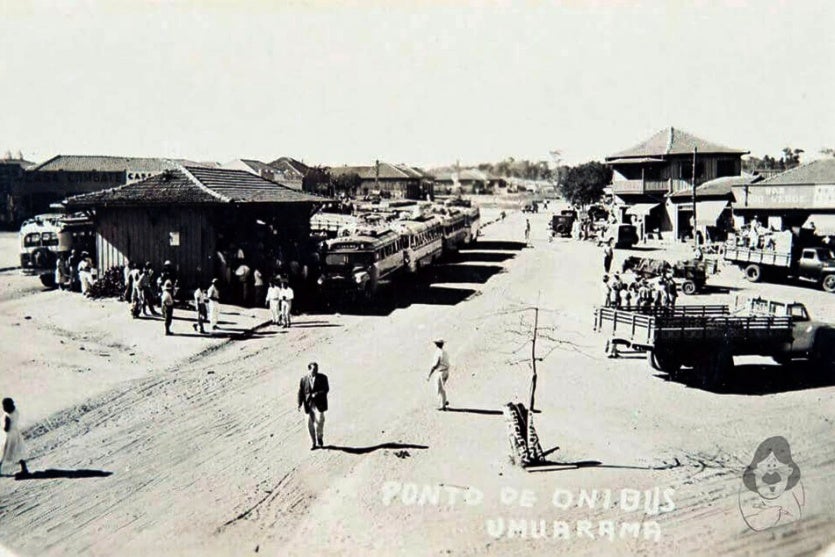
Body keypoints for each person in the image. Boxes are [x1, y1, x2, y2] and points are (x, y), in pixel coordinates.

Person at [297, 362, 329, 450]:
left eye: (317, 369)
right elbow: (301, 392)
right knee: (309, 424)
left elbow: (326, 389)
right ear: (309, 369)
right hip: (308, 404)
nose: (316, 371)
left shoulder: (323, 378)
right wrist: (299, 403)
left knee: (320, 422)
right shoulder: (303, 379)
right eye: (314, 369)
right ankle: (313, 442)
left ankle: (319, 436)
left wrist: (317, 393)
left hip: (319, 404)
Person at [1, 398, 28, 476]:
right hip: (16, 434)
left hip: (9, 436)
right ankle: (24, 468)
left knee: (3, 452)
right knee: (18, 452)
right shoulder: (16, 411)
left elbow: (6, 428)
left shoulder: (7, 416)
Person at [427, 339, 450, 410]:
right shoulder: (445, 352)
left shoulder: (438, 353)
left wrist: (429, 374)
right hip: (446, 371)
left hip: (440, 372)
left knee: (439, 388)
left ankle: (442, 405)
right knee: (442, 388)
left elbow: (435, 365)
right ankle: (444, 401)